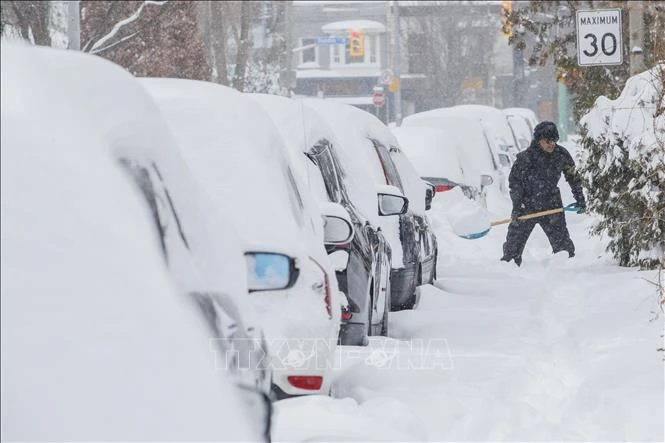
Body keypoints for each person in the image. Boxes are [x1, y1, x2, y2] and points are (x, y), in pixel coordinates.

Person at [501, 121, 585, 266]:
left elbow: (573, 177)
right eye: (548, 141)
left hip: (552, 205)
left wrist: (580, 198)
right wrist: (517, 206)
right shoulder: (525, 158)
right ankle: (510, 276)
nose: (552, 144)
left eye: (554, 141)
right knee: (512, 250)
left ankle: (567, 276)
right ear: (539, 140)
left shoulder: (561, 154)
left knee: (564, 249)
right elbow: (515, 184)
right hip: (526, 206)